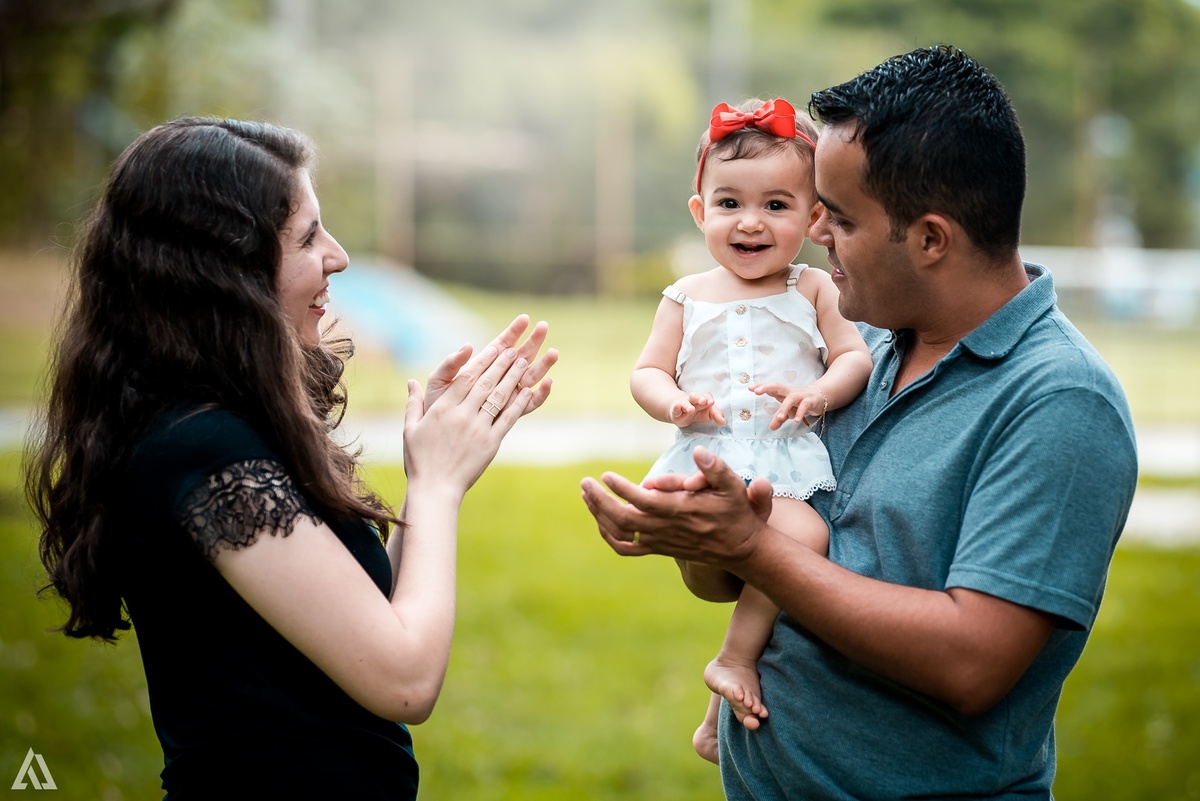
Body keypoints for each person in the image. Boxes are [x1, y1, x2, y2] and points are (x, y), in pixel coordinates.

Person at [582, 44, 1138, 800]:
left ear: (931, 238)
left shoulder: (1059, 402)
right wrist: (698, 527)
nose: (813, 236)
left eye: (837, 216)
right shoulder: (855, 344)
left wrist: (750, 545)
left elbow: (971, 664)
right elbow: (730, 582)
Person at [26, 116, 557, 799]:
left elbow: (367, 620)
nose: (337, 256)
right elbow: (403, 679)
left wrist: (431, 464)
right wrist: (438, 487)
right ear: (224, 270)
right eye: (307, 236)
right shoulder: (205, 453)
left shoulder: (220, 428)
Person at [631, 97, 871, 763]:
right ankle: (720, 687)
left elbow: (854, 356)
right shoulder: (685, 295)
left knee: (805, 534)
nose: (750, 223)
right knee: (694, 532)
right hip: (706, 458)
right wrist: (673, 402)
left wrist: (817, 391)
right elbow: (646, 371)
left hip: (777, 463)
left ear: (814, 217)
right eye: (729, 203)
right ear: (699, 210)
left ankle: (733, 665)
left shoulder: (813, 288)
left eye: (776, 205)